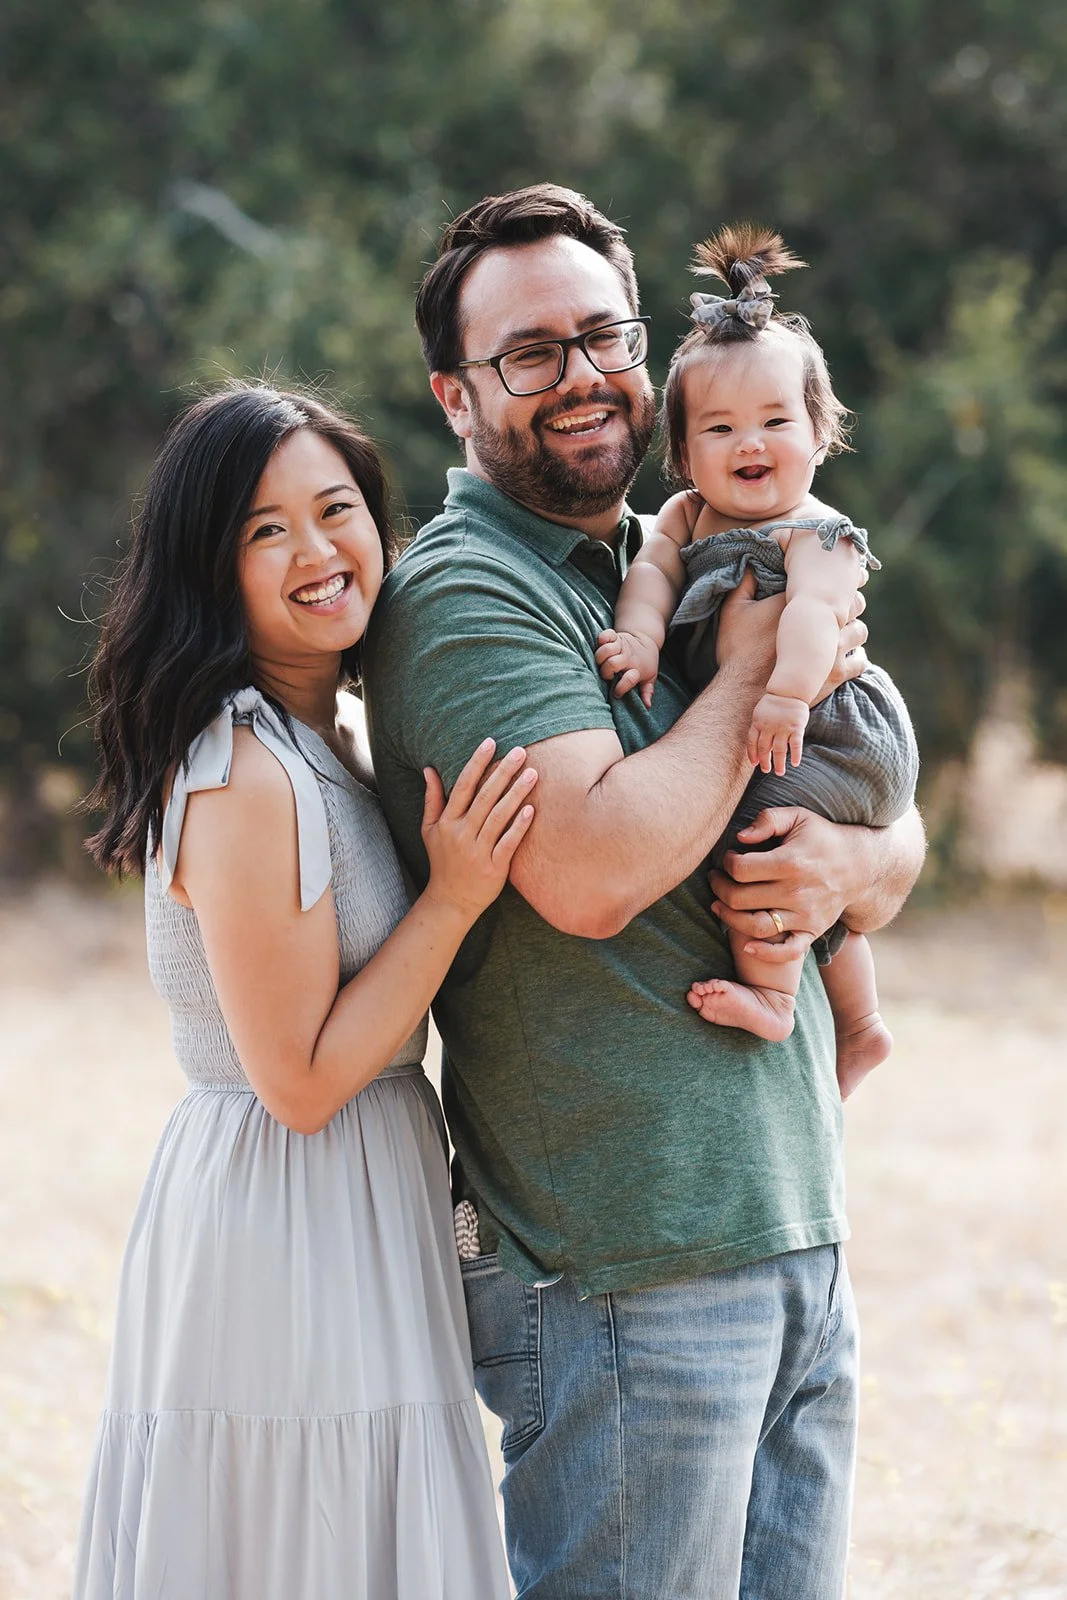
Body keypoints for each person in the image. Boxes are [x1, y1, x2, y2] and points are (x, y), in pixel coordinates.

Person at [363, 184, 926, 1600]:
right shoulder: (466, 596)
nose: (579, 376)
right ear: (453, 396)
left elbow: (881, 833)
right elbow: (596, 873)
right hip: (623, 1267)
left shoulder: (667, 558)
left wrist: (855, 863)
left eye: (600, 335)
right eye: (525, 353)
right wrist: (750, 668)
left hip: (783, 1222)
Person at [73, 383, 526, 1599]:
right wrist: (454, 895)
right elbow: (302, 1078)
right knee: (298, 1541)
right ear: (209, 568)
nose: (317, 552)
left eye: (335, 510)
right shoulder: (243, 768)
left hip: (353, 1199)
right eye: (265, 530)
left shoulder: (329, 738)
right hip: (284, 1212)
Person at [595, 223, 919, 1097]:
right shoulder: (682, 521)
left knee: (754, 843)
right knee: (793, 856)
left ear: (819, 434)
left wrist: (779, 695)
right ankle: (859, 1023)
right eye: (721, 427)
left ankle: (776, 996)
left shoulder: (816, 531)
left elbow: (815, 615)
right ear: (684, 452)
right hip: (790, 725)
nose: (751, 442)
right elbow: (654, 578)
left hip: (827, 725)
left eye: (776, 420)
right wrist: (641, 638)